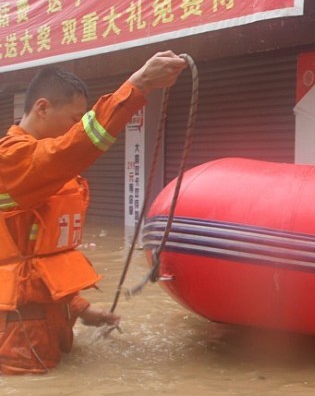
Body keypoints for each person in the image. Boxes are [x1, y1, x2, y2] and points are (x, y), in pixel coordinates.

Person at [0, 51, 188, 374]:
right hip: (18, 334)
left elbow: (40, 259)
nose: (77, 127)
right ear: (42, 108)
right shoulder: (11, 161)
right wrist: (138, 85)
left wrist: (80, 309)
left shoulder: (48, 171)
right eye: (74, 119)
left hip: (45, 326)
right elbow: (74, 148)